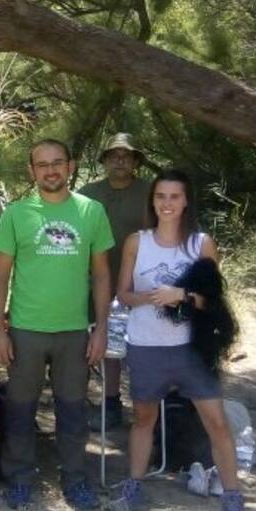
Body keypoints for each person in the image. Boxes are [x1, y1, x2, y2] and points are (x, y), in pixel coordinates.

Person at [114, 169, 246, 511]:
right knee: (143, 418)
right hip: (146, 345)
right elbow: (123, 294)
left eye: (174, 196)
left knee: (216, 422)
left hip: (191, 348)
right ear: (152, 201)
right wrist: (153, 297)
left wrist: (182, 295)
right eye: (160, 197)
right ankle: (134, 486)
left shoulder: (201, 243)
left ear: (186, 200)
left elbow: (214, 302)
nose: (167, 204)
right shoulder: (136, 242)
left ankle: (233, 496)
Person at [0, 139, 113, 511]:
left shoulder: (91, 212)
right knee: (21, 409)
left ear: (71, 166)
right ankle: (20, 480)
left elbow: (103, 277)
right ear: (32, 171)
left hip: (74, 330)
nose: (50, 170)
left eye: (57, 162)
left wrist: (102, 328)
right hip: (26, 330)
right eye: (42, 164)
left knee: (73, 411)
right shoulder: (16, 213)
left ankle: (75, 480)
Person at [79, 133, 152, 429]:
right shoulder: (87, 194)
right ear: (105, 160)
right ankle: (93, 403)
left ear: (136, 161)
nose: (120, 160)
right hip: (88, 282)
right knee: (90, 341)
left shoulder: (150, 193)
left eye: (126, 155)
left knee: (135, 347)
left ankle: (144, 407)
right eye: (113, 155)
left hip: (136, 285)